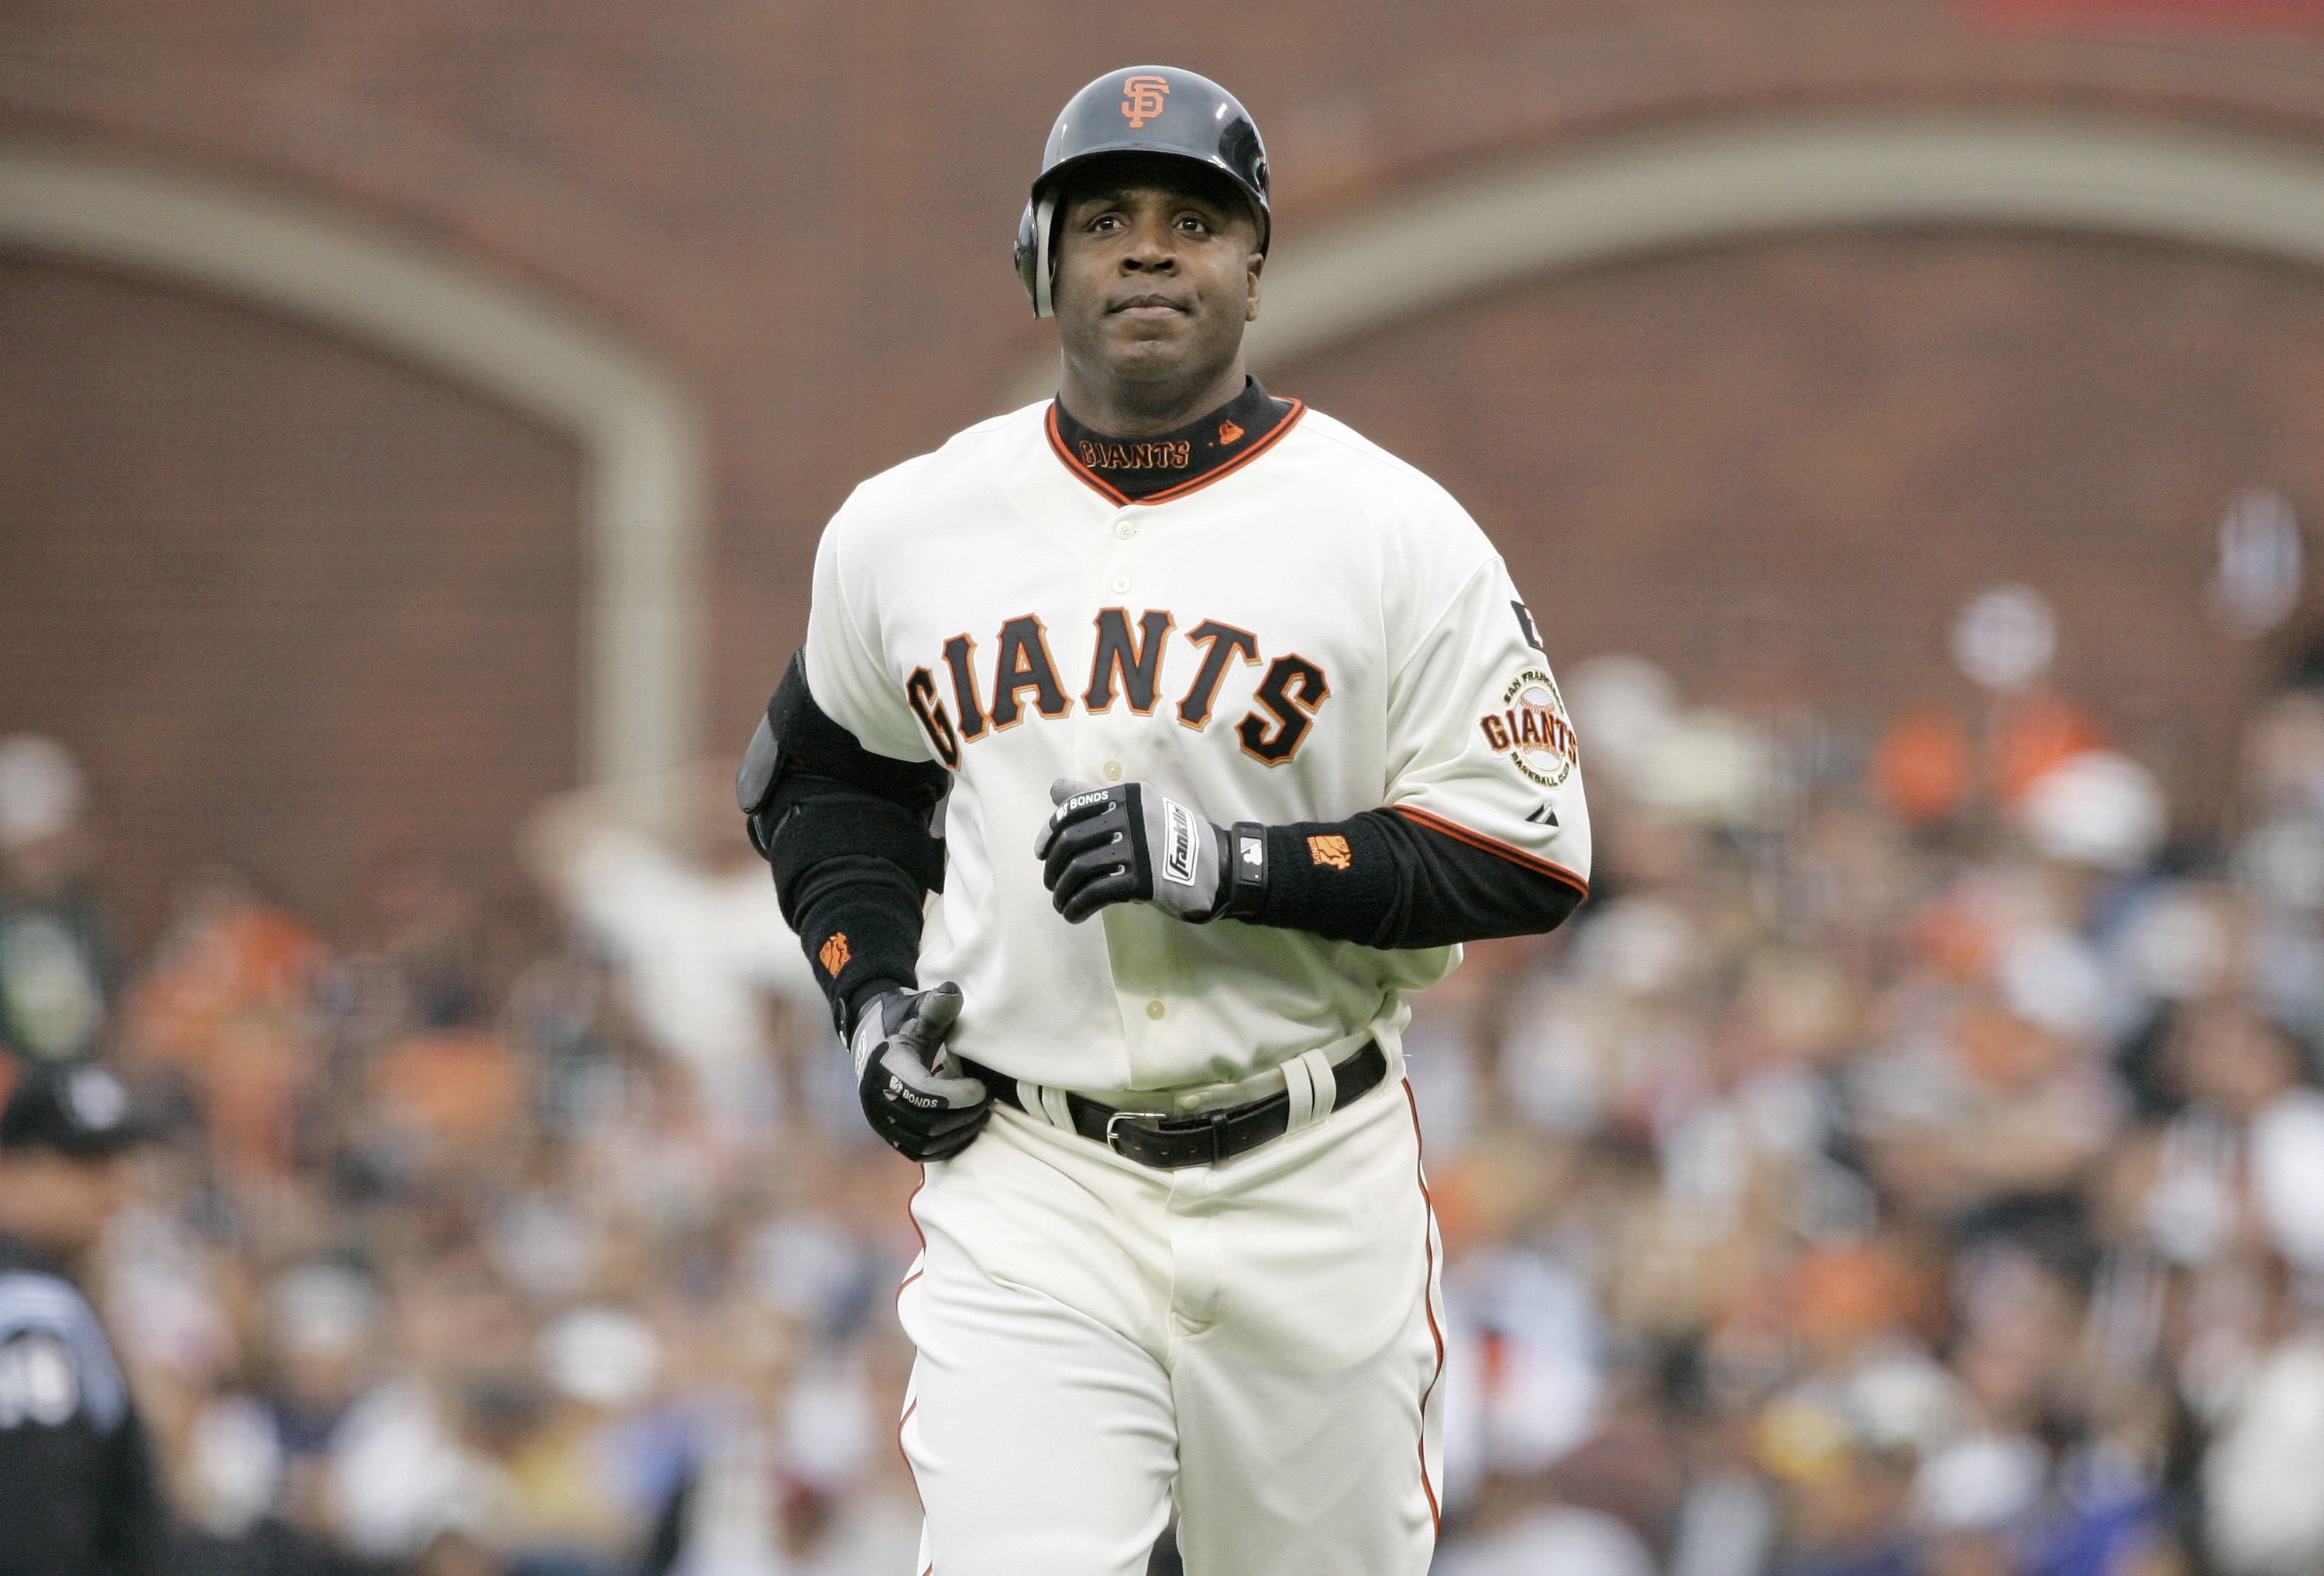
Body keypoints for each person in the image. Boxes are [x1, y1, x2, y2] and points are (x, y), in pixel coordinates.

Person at [737, 64, 1590, 1576]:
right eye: (1105, 217)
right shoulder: (909, 526)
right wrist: (870, 997)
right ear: (1039, 259)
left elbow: (1527, 850)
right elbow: (820, 779)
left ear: (1254, 264)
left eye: (1191, 219)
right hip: (1035, 1176)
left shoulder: (1392, 527)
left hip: (1305, 1169)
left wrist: (1237, 866)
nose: (1146, 248)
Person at [0, 1062, 166, 1574]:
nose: (113, 1187)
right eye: (84, 1163)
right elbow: (36, 1527)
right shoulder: (31, 1311)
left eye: (117, 1160)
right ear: (14, 1170)